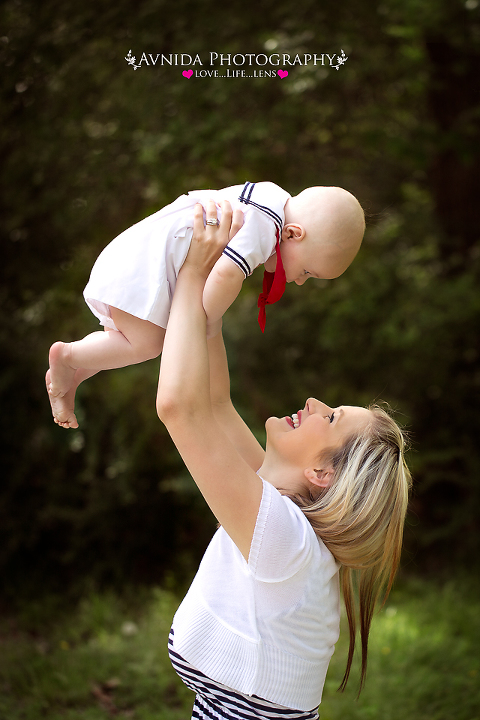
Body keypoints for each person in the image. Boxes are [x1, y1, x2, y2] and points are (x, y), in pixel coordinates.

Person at [157, 200, 412, 719]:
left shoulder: (284, 538)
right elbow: (215, 404)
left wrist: (188, 278)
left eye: (333, 417)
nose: (316, 403)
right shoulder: (284, 517)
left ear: (322, 473)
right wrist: (210, 304)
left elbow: (180, 408)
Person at [46, 180, 365, 429]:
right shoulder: (267, 226)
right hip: (144, 267)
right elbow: (227, 274)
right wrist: (205, 320)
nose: (299, 280)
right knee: (147, 344)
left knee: (117, 341)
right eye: (307, 271)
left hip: (138, 255)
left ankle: (69, 380)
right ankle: (69, 356)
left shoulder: (271, 199)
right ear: (294, 234)